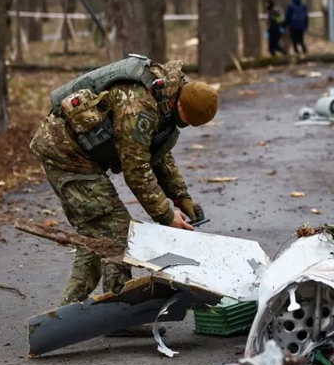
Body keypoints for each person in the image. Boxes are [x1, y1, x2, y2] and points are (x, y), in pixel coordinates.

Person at [30, 55, 218, 337]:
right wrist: (166, 216)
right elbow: (136, 169)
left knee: (97, 237)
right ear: (180, 104)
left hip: (82, 156)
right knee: (116, 231)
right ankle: (115, 315)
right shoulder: (139, 105)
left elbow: (158, 153)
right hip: (66, 155)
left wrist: (181, 197)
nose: (183, 125)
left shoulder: (165, 95)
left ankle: (72, 315)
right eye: (185, 121)